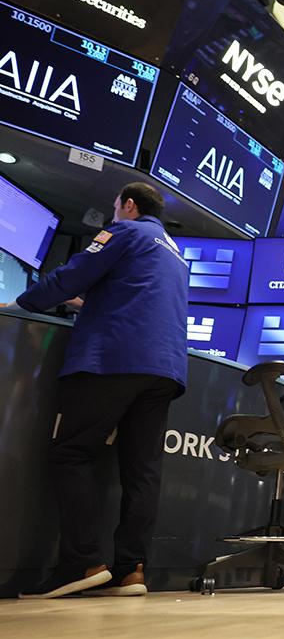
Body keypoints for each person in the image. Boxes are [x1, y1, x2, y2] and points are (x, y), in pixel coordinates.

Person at [13, 183, 189, 599]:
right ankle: (131, 571)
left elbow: (72, 275)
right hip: (163, 371)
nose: (112, 216)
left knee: (71, 453)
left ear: (129, 205)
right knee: (141, 472)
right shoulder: (175, 252)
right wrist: (88, 304)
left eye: (115, 208)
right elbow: (133, 297)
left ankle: (82, 563)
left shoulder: (126, 232)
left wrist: (24, 302)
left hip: (113, 360)